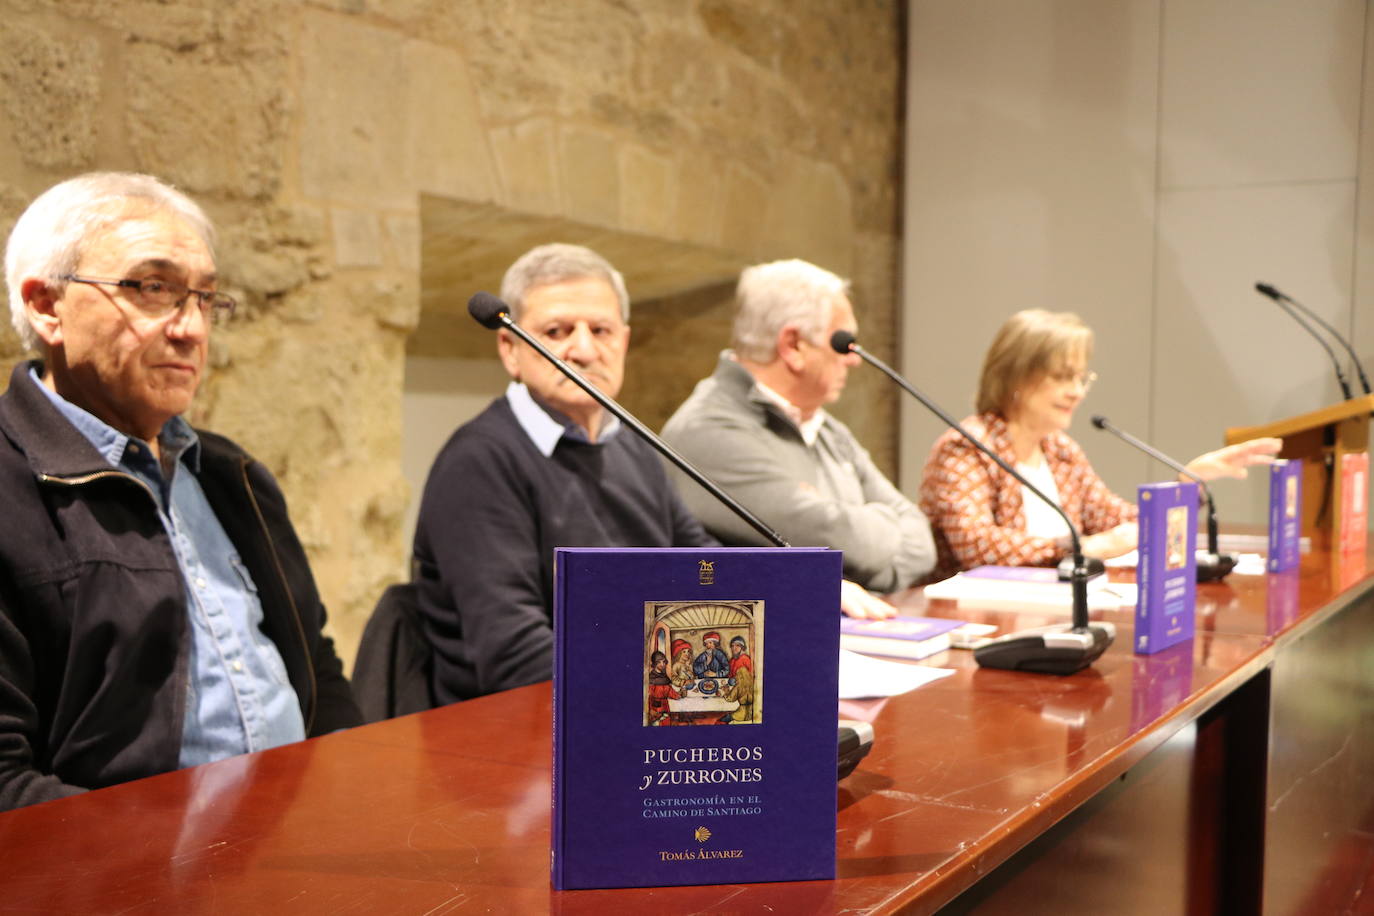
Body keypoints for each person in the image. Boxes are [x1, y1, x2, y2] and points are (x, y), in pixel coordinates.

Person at [0, 172, 361, 812]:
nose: (191, 329)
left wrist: (337, 800)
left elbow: (316, 664)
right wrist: (172, 869)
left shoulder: (232, 477)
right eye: (153, 288)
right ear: (46, 306)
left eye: (206, 299)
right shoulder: (13, 485)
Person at [412, 244, 716, 704]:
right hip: (520, 734)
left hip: (646, 703)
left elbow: (703, 568)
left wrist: (797, 598)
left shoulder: (633, 445)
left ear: (624, 342)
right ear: (510, 350)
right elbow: (517, 656)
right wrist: (673, 685)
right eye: (556, 331)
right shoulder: (479, 461)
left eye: (601, 330)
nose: (584, 349)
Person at [918, 309, 1281, 580]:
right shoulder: (967, 448)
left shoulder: (1060, 450)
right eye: (1062, 377)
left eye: (1081, 378)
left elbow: (1119, 524)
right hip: (978, 623)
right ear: (1014, 375)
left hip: (1055, 605)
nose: (1076, 392)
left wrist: (1186, 485)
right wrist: (1081, 548)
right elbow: (975, 545)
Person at [661, 259, 935, 600]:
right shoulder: (707, 431)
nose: (854, 359)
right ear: (793, 346)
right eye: (843, 343)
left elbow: (921, 540)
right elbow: (841, 541)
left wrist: (857, 544)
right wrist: (875, 531)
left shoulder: (829, 430)